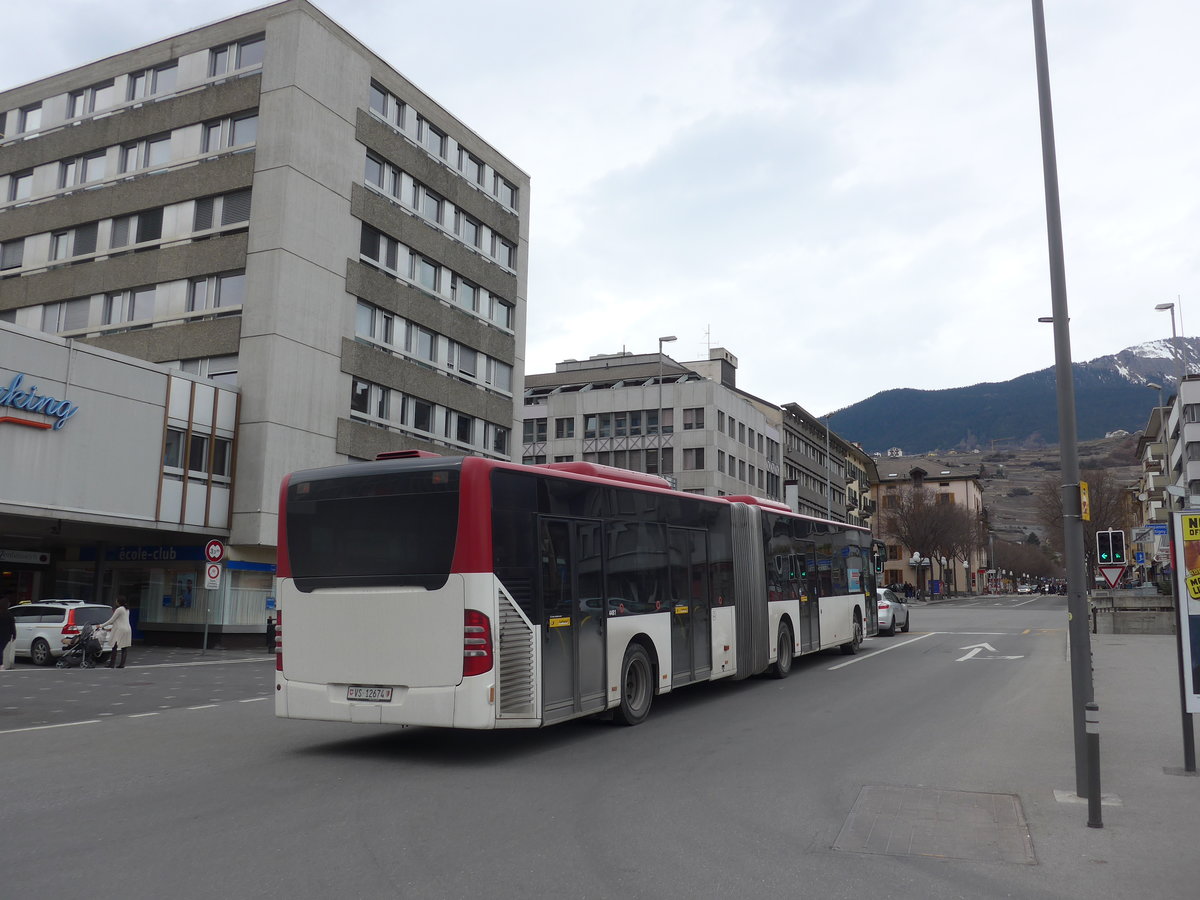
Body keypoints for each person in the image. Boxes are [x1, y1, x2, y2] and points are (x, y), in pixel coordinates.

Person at [99, 596, 133, 668]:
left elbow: (112, 620)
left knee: (114, 646)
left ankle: (112, 664)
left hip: (120, 629)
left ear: (119, 602)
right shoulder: (127, 609)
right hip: (128, 629)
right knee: (124, 647)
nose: (116, 602)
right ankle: (122, 664)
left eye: (116, 601)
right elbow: (121, 620)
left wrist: (101, 625)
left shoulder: (119, 609)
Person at [1, 593, 16, 670]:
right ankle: (1, 664)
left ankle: (0, 664)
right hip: (6, 635)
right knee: (1, 648)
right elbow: (12, 626)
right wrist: (14, 635)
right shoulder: (10, 615)